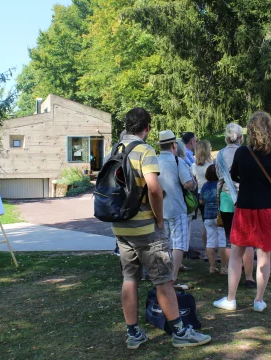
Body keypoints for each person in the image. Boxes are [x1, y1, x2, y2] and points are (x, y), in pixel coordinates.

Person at [112, 108, 211, 349]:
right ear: (146, 128)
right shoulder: (144, 151)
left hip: (121, 225)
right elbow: (154, 189)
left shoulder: (114, 150)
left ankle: (133, 333)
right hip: (145, 227)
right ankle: (179, 331)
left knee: (129, 278)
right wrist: (158, 218)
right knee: (163, 279)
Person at [213, 111, 271, 313]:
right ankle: (259, 300)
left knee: (236, 253)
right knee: (264, 257)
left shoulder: (243, 153)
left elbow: (235, 174)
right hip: (270, 208)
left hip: (246, 207)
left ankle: (231, 298)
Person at [215, 123, 256, 288]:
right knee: (248, 240)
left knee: (231, 240)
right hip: (245, 198)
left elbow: (219, 175)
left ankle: (233, 275)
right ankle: (249, 277)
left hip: (226, 198)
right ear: (241, 137)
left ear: (226, 137)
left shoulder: (220, 155)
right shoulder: (248, 153)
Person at [157, 130, 196, 286]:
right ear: (174, 145)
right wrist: (192, 183)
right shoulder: (177, 162)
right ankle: (173, 275)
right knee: (179, 243)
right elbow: (187, 183)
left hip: (160, 208)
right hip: (177, 207)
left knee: (165, 242)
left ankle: (165, 272)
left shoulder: (154, 161)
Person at [200, 164, 229, 274]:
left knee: (210, 242)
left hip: (207, 216)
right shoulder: (221, 184)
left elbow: (201, 201)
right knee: (222, 241)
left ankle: (212, 267)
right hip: (220, 216)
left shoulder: (205, 186)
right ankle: (223, 267)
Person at [191, 140, 214, 255]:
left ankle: (206, 251)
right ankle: (214, 251)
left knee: (206, 223)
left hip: (199, 195)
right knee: (214, 224)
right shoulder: (211, 165)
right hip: (211, 195)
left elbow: (193, 182)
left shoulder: (193, 166)